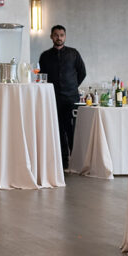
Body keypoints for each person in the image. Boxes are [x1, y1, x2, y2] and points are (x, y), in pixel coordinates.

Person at [38, 24, 86, 171]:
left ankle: (76, 163)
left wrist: (72, 86)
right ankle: (63, 163)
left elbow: (82, 72)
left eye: (62, 35)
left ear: (65, 36)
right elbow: (42, 76)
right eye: (56, 35)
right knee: (57, 131)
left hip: (71, 98)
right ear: (51, 36)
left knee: (72, 130)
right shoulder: (45, 56)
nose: (59, 37)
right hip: (53, 98)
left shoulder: (73, 53)